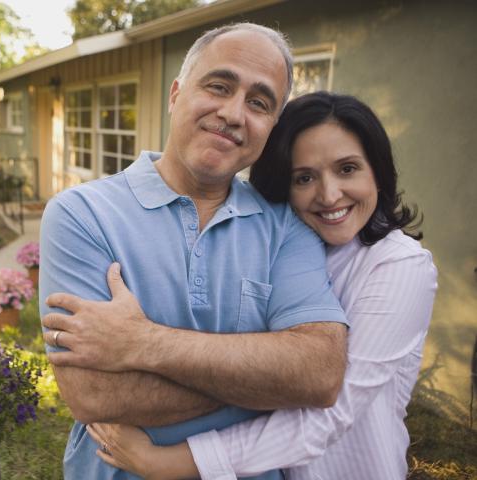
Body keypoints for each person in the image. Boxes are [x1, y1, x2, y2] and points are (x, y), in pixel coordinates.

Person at [38, 23, 349, 479]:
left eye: (258, 102)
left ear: (271, 129)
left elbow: (319, 374)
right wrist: (268, 378)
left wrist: (141, 343)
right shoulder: (82, 214)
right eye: (219, 86)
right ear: (175, 94)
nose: (234, 112)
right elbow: (94, 394)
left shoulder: (286, 226)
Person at [79, 92, 438, 479]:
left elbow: (331, 411)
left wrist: (172, 462)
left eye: (348, 169)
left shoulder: (399, 265)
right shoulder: (284, 242)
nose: (329, 194)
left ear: (378, 173)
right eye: (304, 177)